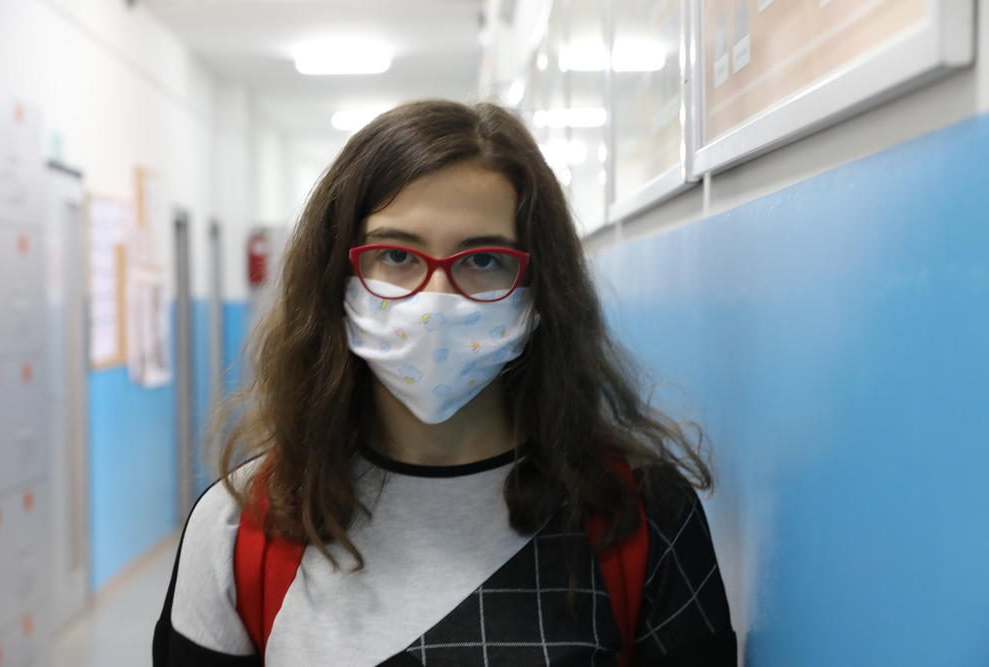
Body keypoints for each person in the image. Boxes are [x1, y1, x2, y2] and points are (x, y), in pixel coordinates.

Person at [152, 100, 737, 666]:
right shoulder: (242, 524)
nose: (435, 300)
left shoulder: (641, 513)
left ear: (540, 290)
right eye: (395, 256)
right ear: (336, 276)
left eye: (482, 261)